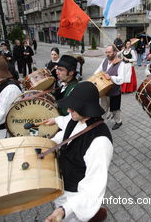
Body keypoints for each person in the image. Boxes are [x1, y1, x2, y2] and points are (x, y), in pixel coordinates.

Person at [44, 82, 113, 222]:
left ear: (87, 108)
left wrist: (64, 210)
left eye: (73, 107)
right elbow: (66, 129)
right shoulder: (76, 117)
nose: (69, 110)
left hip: (75, 197)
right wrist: (47, 143)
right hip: (62, 184)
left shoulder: (100, 142)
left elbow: (93, 188)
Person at [94, 46, 124, 130]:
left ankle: (118, 121)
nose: (107, 54)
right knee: (103, 107)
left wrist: (110, 77)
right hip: (104, 90)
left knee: (115, 109)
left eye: (109, 52)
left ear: (114, 52)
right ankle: (101, 121)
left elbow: (121, 79)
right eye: (106, 52)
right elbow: (97, 71)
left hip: (114, 91)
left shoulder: (121, 63)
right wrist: (97, 75)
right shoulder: (104, 61)